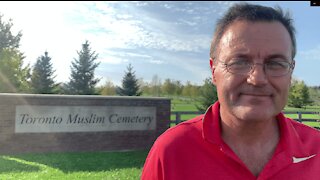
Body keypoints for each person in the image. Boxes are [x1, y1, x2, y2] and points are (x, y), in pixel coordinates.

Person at [141, 3, 320, 180]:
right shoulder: (171, 151)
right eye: (239, 62)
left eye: (275, 64)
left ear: (291, 73)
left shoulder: (317, 149)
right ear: (213, 71)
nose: (257, 79)